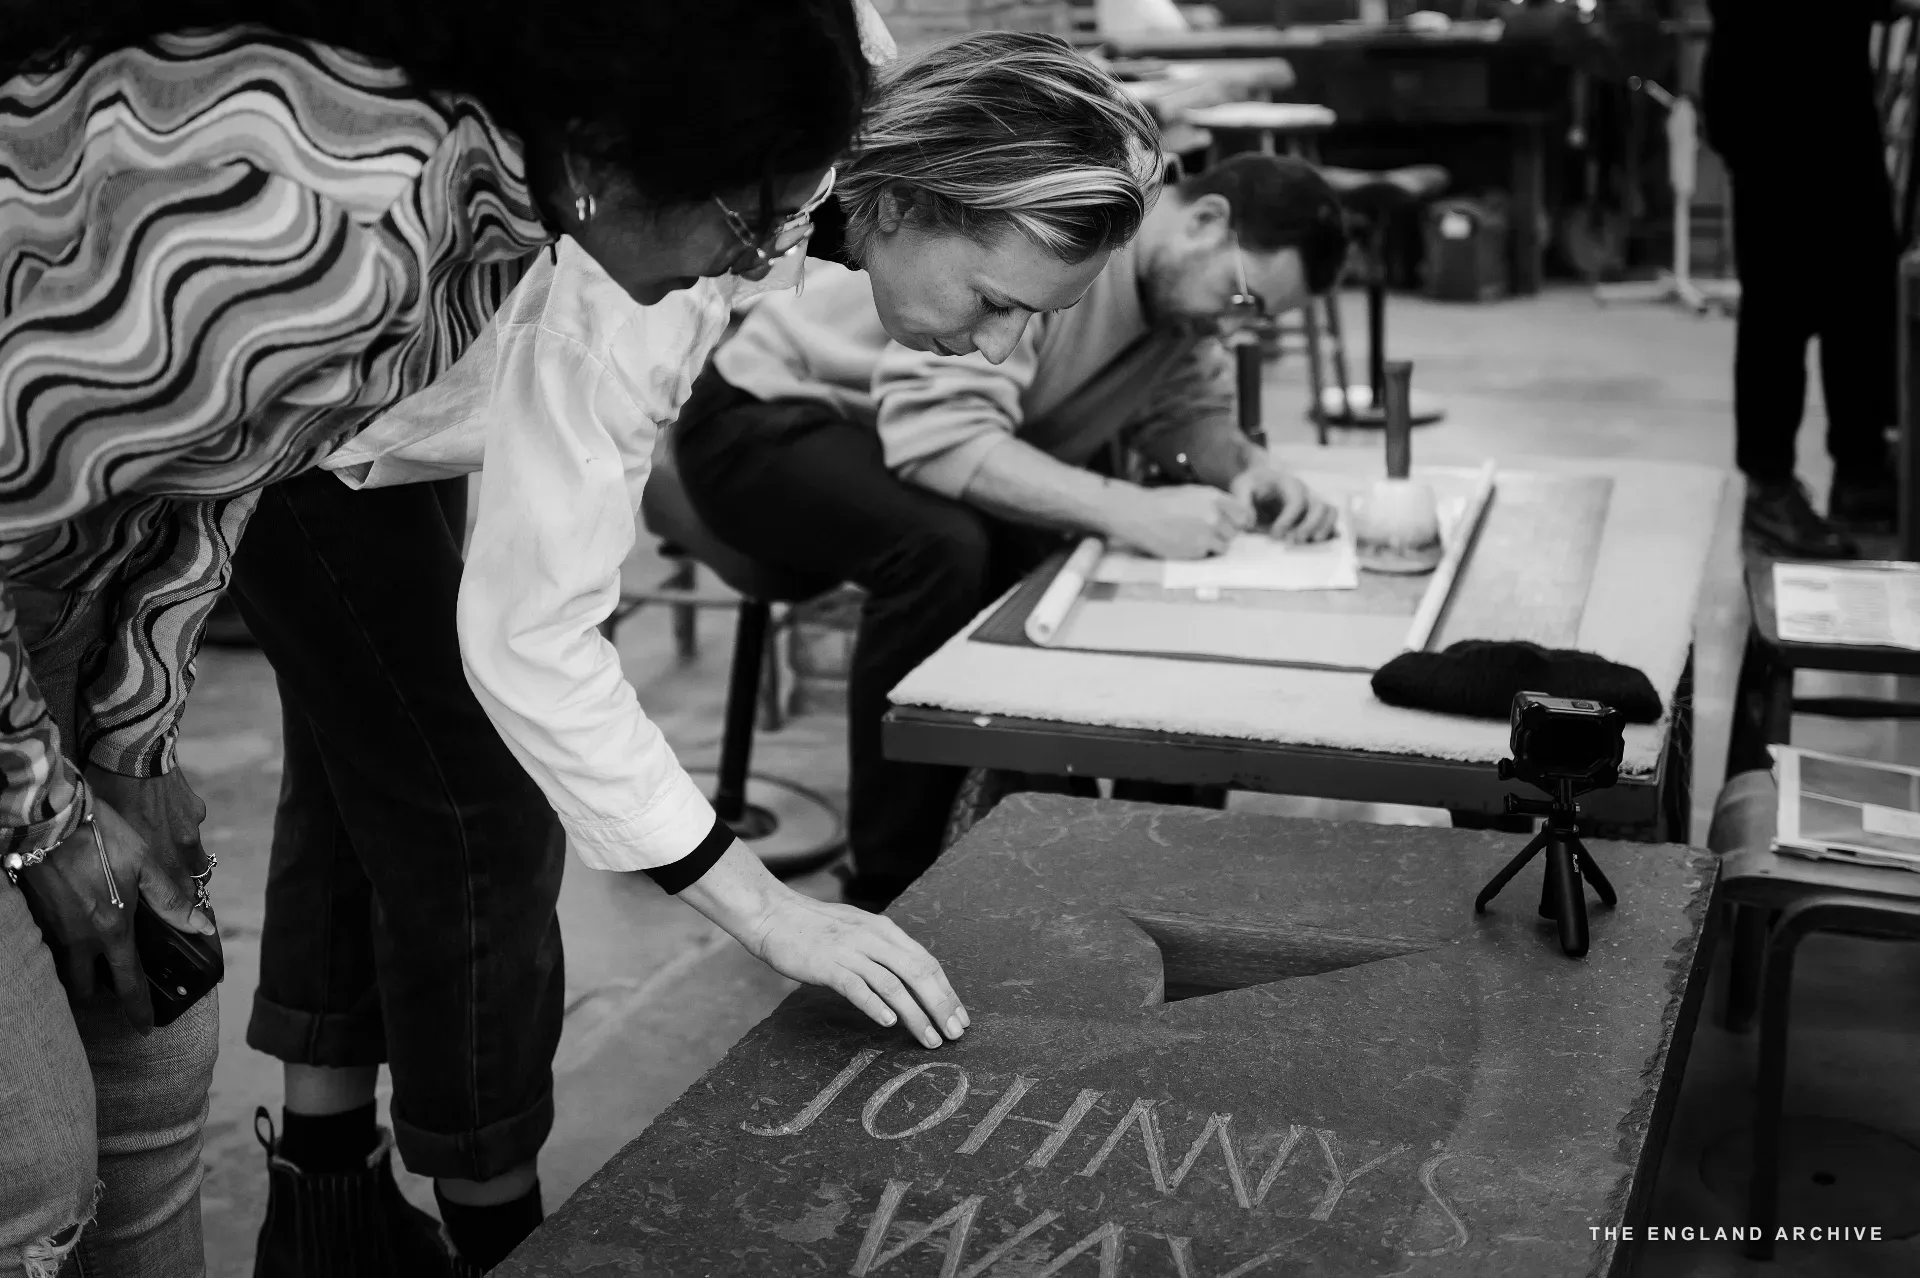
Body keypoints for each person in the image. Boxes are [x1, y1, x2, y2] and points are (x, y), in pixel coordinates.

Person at [1, 7, 1164, 1275]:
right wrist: (764, 910)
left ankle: (323, 1185)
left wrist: (131, 725)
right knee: (473, 804)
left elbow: (206, 490)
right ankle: (489, 1220)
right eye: (997, 301)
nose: (1000, 348)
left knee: (346, 801)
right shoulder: (547, 226)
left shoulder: (719, 161)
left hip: (308, 458)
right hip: (293, 455)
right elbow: (527, 629)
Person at [674, 153, 1349, 912]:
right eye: (1242, 297)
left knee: (1063, 566)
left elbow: (1185, 417)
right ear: (1205, 222)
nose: (1233, 325)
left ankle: (1123, 857)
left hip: (889, 442)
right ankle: (892, 888)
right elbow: (939, 438)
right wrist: (1131, 510)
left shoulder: (1182, 308)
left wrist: (1245, 469)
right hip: (762, 418)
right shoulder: (1068, 251)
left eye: (1255, 318)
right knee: (945, 549)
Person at [1704, 0, 1912, 557]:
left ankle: (1861, 471)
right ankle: (1768, 488)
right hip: (1774, 92)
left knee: (1862, 289)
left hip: (1831, 87)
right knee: (1781, 300)